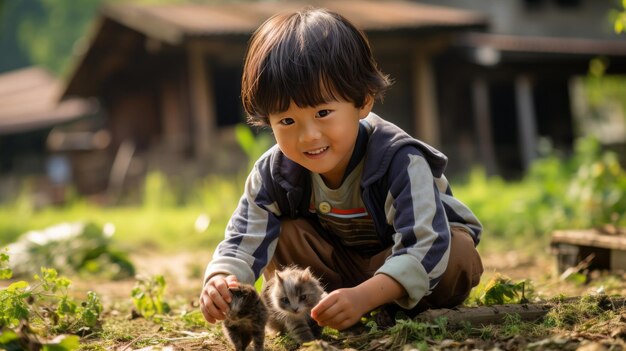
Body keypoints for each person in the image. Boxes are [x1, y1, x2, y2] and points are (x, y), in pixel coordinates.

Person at [199, 7, 483, 331]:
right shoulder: (274, 172)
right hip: (334, 265)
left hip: (406, 258)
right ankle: (327, 309)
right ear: (268, 122)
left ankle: (381, 303)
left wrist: (365, 296)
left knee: (455, 253)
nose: (308, 136)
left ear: (362, 101)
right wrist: (221, 279)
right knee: (282, 235)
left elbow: (425, 244)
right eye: (287, 121)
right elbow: (243, 237)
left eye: (323, 112)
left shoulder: (399, 160)